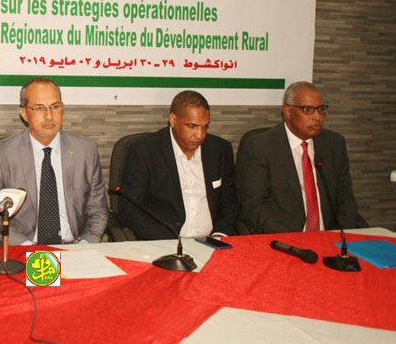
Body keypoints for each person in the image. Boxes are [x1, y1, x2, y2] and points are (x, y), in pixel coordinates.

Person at [0, 77, 107, 245]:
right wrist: (25, 247)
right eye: (39, 108)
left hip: (74, 246)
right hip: (24, 246)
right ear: (24, 113)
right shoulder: (3, 153)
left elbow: (98, 211)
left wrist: (84, 245)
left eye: (55, 107)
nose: (49, 116)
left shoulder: (86, 151)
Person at [236, 81, 366, 234]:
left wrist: (341, 235)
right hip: (285, 238)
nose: (317, 117)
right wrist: (295, 240)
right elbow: (255, 207)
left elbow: (345, 199)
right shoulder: (260, 147)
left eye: (321, 109)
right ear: (288, 111)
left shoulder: (334, 144)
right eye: (308, 110)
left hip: (330, 237)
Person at [117, 90, 239, 240]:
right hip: (165, 242)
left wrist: (220, 234)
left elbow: (230, 202)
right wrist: (172, 242)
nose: (200, 135)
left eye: (205, 127)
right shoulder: (145, 151)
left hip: (213, 241)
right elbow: (129, 210)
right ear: (173, 120)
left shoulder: (220, 150)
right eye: (192, 126)